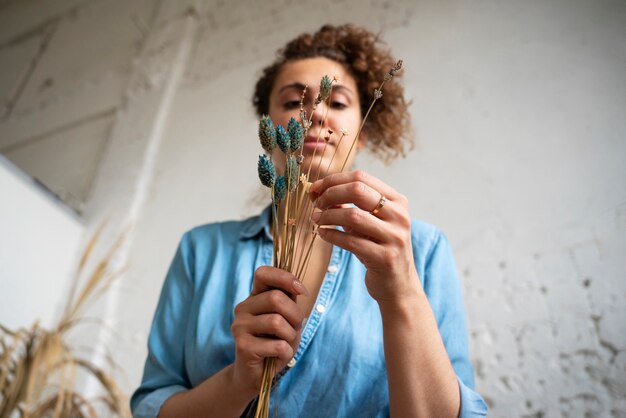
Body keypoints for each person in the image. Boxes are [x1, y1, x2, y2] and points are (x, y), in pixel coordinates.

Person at [131, 24, 488, 417]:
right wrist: (238, 382)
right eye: (292, 102)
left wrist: (401, 291)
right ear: (267, 129)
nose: (316, 113)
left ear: (363, 134)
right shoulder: (201, 250)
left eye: (336, 103)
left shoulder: (421, 250)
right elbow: (152, 406)